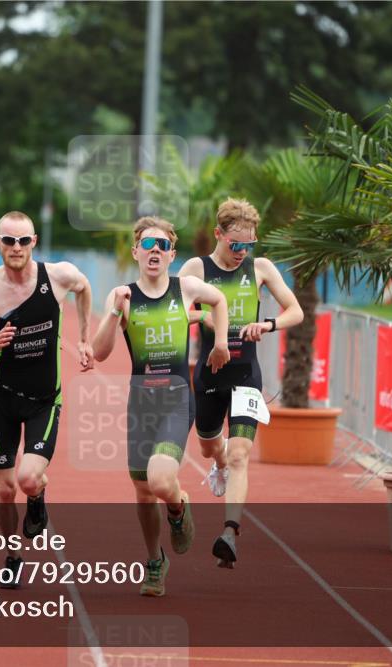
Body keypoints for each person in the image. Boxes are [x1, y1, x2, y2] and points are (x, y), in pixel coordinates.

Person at [92, 216, 230, 597]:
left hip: (174, 397)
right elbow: (101, 353)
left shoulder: (185, 288)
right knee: (141, 490)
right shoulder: (121, 295)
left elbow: (219, 301)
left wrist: (219, 343)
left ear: (172, 254)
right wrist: (114, 312)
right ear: (136, 251)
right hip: (140, 402)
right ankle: (155, 561)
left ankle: (179, 505)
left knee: (161, 480)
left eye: (163, 246)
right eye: (148, 245)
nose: (155, 251)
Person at [0, 211, 93, 587]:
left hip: (43, 399)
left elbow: (85, 288)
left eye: (23, 241)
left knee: (26, 478)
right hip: (2, 399)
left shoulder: (58, 276)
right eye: (9, 240)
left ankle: (37, 494)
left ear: (34, 242)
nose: (16, 248)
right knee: (4, 490)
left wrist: (84, 337)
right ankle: (12, 554)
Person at [178, 198, 303, 568]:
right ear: (218, 235)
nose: (242, 253)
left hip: (246, 375)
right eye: (236, 245)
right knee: (209, 448)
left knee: (240, 454)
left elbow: (295, 310)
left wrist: (267, 325)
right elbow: (177, 308)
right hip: (210, 375)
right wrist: (211, 321)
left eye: (249, 245)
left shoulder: (260, 268)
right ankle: (217, 465)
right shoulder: (196, 268)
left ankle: (230, 532)